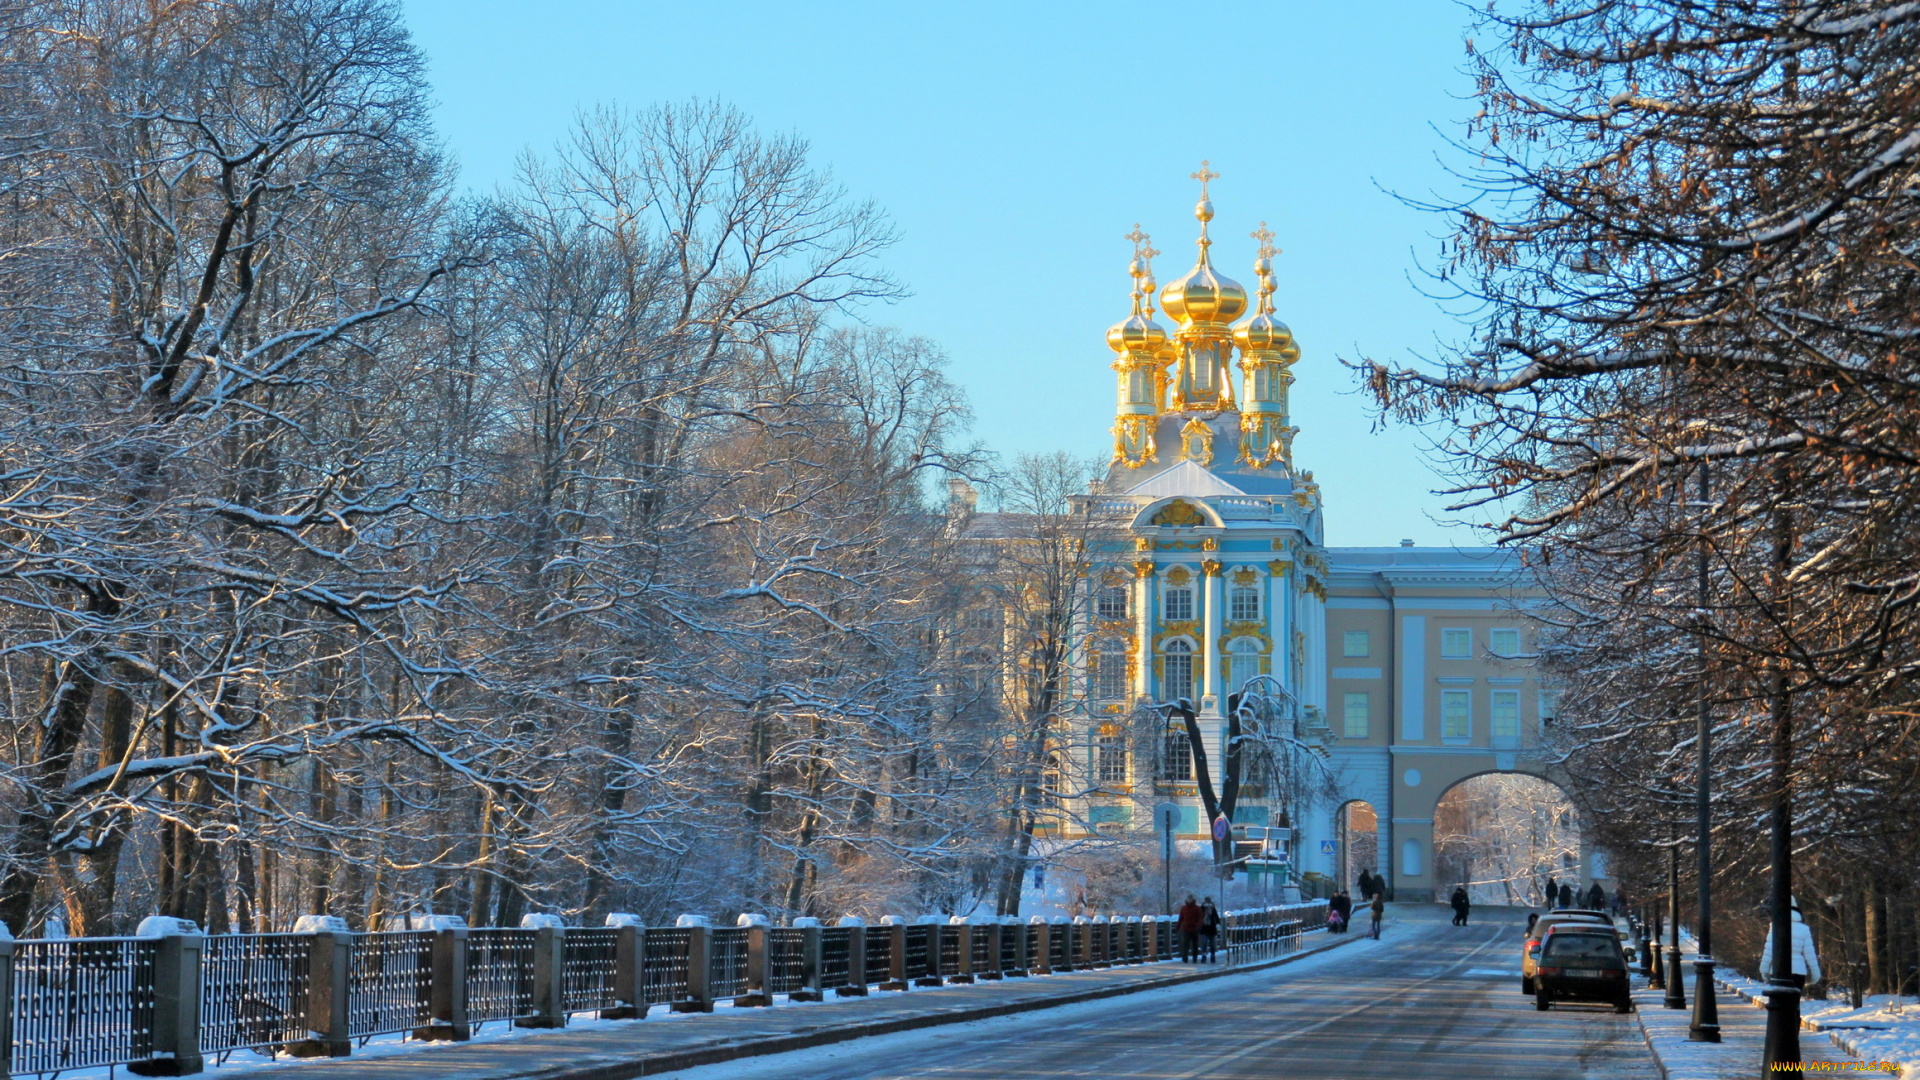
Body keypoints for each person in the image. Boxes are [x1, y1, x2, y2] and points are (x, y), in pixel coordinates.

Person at [1759, 898, 1823, 995]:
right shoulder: (1804, 929)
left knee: (1779, 1004)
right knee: (1794, 1004)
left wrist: (1764, 969)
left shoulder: (1775, 926)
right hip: (1798, 971)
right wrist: (1815, 972)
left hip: (1778, 969)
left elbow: (1769, 950)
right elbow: (1810, 954)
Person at [1177, 894, 1203, 963]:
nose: (1189, 901)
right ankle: (1185, 957)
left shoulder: (1197, 908)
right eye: (1188, 899)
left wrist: (1198, 926)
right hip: (1186, 928)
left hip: (1194, 929)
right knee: (1186, 944)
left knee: (1195, 944)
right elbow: (1181, 918)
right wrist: (1177, 926)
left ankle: (1194, 957)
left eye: (1191, 899)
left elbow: (1200, 918)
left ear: (1193, 900)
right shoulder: (1184, 908)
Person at [1200, 896, 1222, 962]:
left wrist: (1218, 923)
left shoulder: (1213, 909)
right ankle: (1204, 956)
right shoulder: (1202, 909)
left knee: (1212, 944)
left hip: (1211, 928)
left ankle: (1212, 956)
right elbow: (1199, 917)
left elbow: (1216, 917)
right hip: (1204, 928)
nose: (1207, 904)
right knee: (1204, 943)